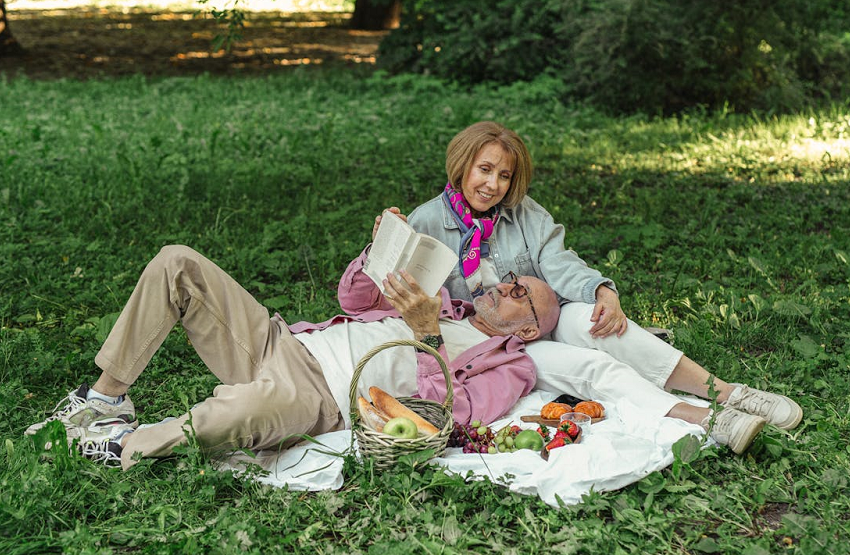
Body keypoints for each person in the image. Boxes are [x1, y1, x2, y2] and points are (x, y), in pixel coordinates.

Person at [384, 120, 802, 443]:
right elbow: (404, 293)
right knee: (591, 366)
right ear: (463, 165)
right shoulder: (426, 221)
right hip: (487, 340)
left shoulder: (526, 214)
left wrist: (601, 290)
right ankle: (708, 419)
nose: (493, 185)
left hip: (542, 316)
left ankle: (726, 391)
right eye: (485, 170)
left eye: (505, 175)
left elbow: (560, 262)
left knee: (595, 323)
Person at [25, 242, 561, 468]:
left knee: (237, 416)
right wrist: (377, 251)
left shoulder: (511, 364)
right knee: (177, 262)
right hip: (282, 342)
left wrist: (427, 335)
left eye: (521, 296)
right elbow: (353, 298)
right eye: (511, 280)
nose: (507, 288)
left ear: (533, 330)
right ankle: (106, 399)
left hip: (319, 394)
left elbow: (449, 414)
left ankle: (122, 447)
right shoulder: (442, 298)